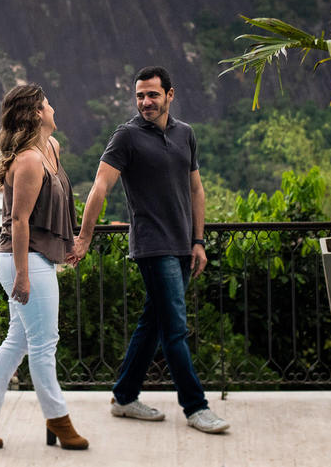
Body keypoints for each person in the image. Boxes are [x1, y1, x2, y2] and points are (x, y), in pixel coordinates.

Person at [70, 66, 230, 434]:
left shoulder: (185, 133)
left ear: (170, 95)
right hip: (153, 246)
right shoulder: (126, 136)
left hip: (183, 245)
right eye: (140, 96)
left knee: (154, 323)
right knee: (175, 329)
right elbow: (99, 187)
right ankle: (196, 407)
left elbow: (196, 190)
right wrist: (85, 237)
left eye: (153, 95)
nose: (145, 102)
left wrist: (198, 241)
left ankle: (125, 396)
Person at [0, 84, 88, 450]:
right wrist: (22, 274)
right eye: (47, 104)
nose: (53, 108)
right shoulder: (29, 160)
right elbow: (19, 220)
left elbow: (57, 204)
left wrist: (68, 242)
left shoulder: (51, 148)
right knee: (45, 344)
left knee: (18, 340)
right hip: (23, 257)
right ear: (36, 113)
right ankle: (59, 421)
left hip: (37, 255)